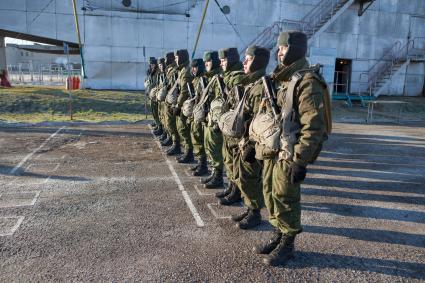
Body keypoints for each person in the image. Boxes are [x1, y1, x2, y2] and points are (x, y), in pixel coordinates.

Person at [252, 31, 331, 266]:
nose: (279, 52)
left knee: (286, 198)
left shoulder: (307, 81)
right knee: (270, 193)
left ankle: (288, 244)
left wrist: (300, 160)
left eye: (284, 48)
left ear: (295, 49)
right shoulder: (282, 79)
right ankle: (278, 234)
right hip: (273, 149)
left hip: (290, 152)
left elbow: (314, 126)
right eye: (278, 48)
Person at [230, 45, 269, 230]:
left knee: (251, 177)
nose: (244, 62)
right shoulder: (251, 84)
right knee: (243, 175)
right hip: (244, 139)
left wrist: (252, 145)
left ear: (258, 61)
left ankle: (255, 213)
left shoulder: (261, 86)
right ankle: (249, 207)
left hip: (253, 142)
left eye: (249, 58)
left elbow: (260, 119)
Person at [188, 58, 208, 175]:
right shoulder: (196, 79)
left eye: (195, 67)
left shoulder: (203, 79)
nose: (193, 69)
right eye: (192, 67)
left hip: (201, 114)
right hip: (196, 112)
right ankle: (201, 163)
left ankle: (203, 165)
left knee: (201, 140)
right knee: (196, 138)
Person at [173, 49, 194, 163]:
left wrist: (178, 105)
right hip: (183, 104)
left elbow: (184, 91)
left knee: (184, 129)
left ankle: (189, 153)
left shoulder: (186, 71)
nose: (175, 60)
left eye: (177, 58)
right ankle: (187, 151)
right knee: (182, 129)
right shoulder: (183, 70)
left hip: (185, 105)